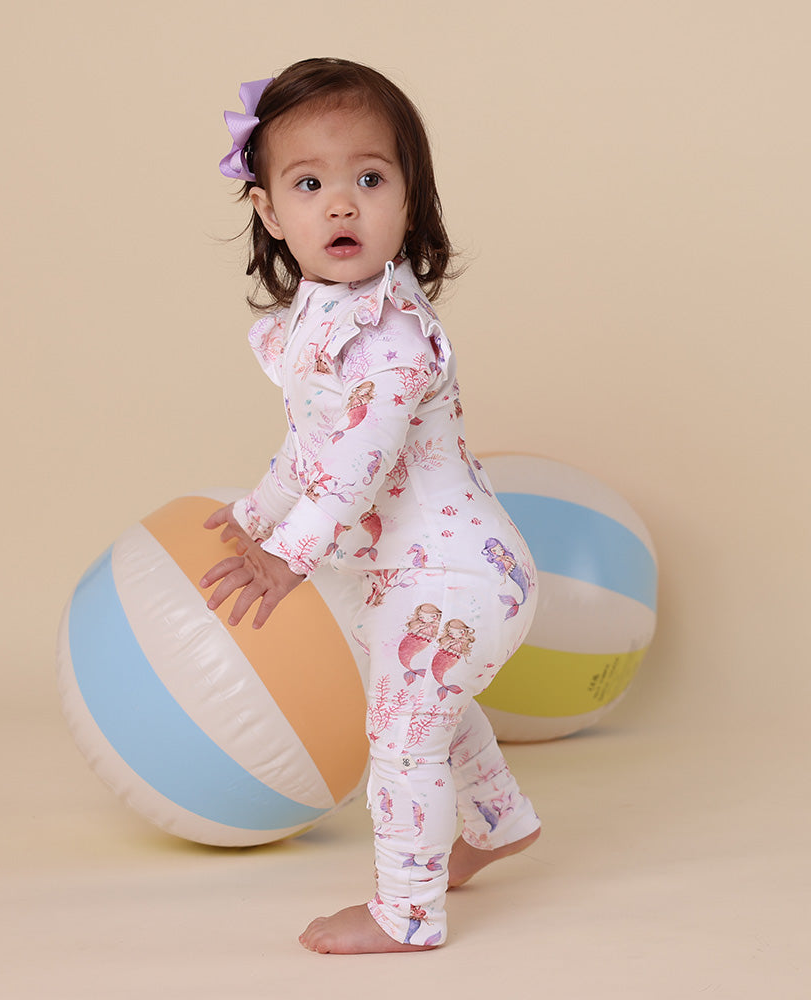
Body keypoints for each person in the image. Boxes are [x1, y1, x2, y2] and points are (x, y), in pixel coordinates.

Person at [199, 58, 541, 954]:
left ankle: (408, 913)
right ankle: (498, 820)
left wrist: (286, 555)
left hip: (455, 576)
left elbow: (353, 466)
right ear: (271, 211)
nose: (342, 205)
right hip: (404, 575)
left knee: (400, 737)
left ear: (410, 201)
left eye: (371, 179)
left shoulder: (391, 337)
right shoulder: (323, 316)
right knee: (429, 702)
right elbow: (309, 446)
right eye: (310, 184)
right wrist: (256, 512)